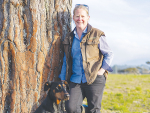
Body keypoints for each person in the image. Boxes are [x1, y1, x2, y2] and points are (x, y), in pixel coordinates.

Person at [59, 4, 114, 113]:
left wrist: (102, 71)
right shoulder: (69, 37)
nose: (80, 19)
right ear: (73, 17)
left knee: (93, 109)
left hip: (94, 78)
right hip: (75, 79)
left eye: (83, 16)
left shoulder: (97, 34)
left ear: (88, 18)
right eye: (77, 16)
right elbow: (66, 59)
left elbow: (109, 54)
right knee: (71, 107)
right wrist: (62, 77)